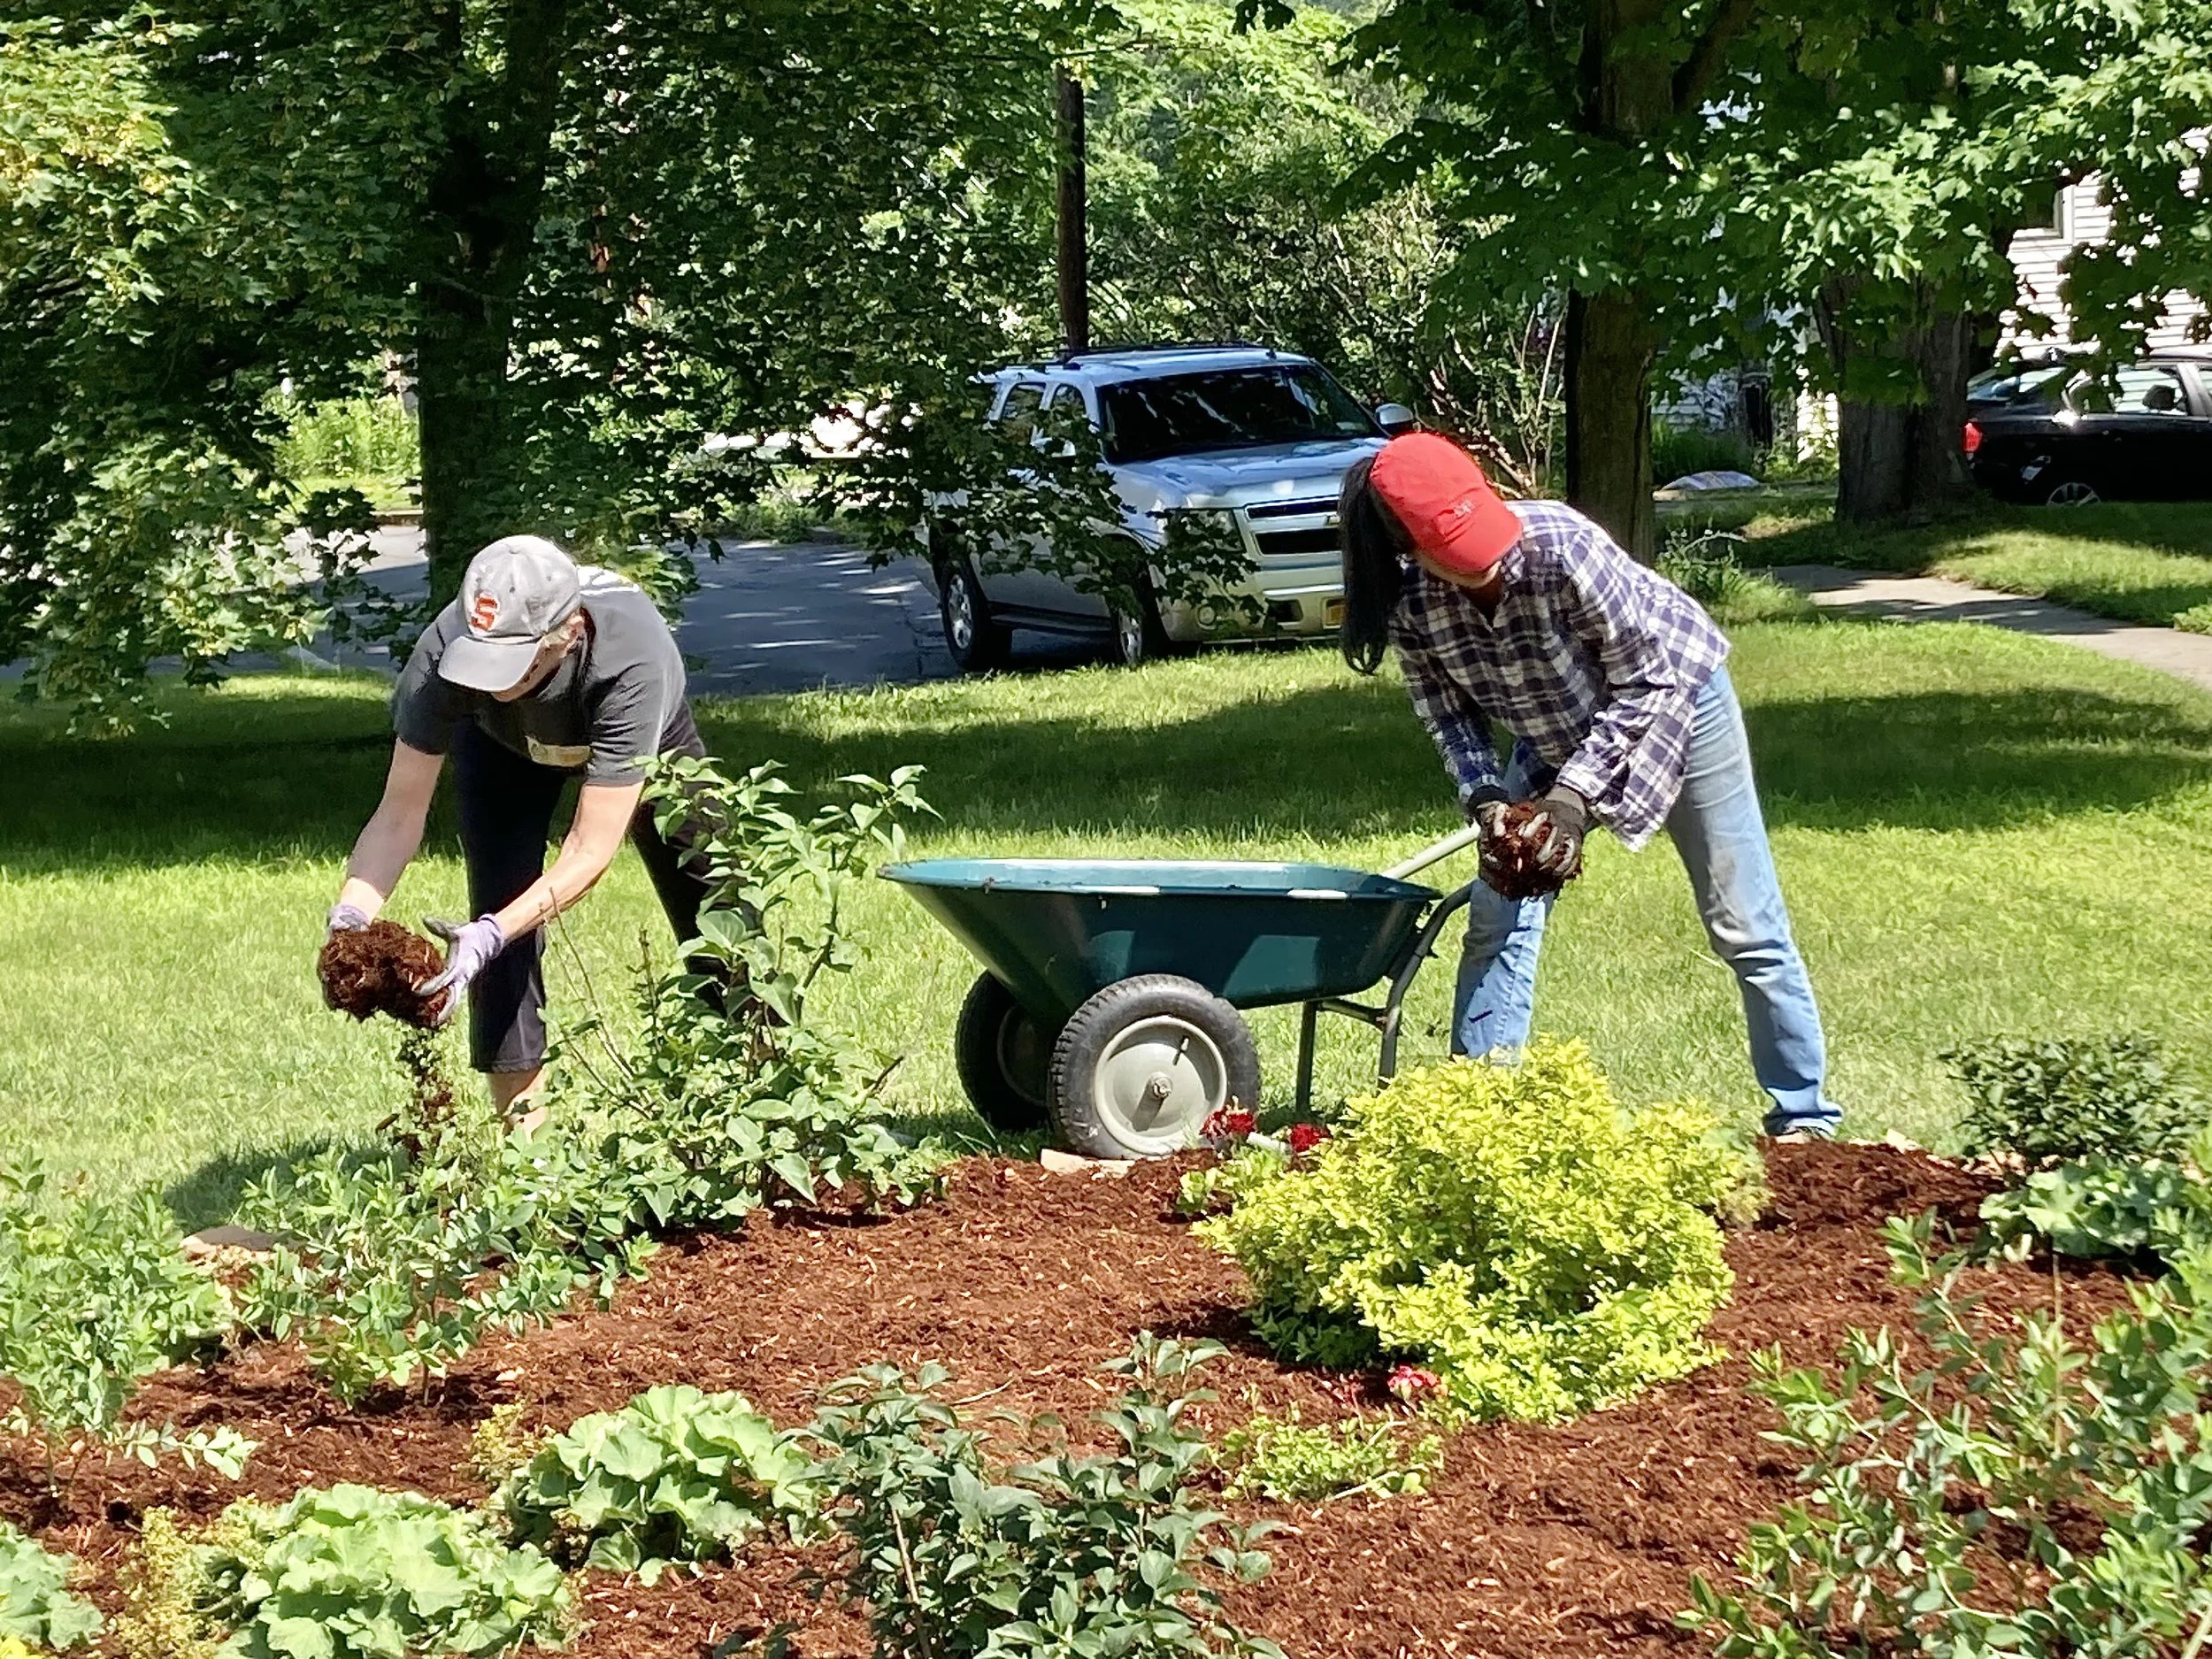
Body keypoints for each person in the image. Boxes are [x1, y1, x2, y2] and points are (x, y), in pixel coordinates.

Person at [1338, 432, 1841, 1141]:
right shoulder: (1410, 604)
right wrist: (1488, 801)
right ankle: (1483, 1119)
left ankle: (1805, 1121)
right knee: (1496, 916)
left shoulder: (1560, 544)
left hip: (1679, 704)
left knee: (1744, 925)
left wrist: (1571, 802)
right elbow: (1449, 716)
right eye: (1457, 555)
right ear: (1407, 549)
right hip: (1552, 734)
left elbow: (1646, 680)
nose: (1487, 565)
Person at [328, 534, 713, 1126]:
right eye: (480, 660)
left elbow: (589, 850)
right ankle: (527, 1163)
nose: (491, 680)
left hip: (647, 746)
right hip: (500, 748)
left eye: (513, 662)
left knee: (716, 903)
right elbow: (398, 814)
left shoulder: (629, 659)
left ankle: (769, 1108)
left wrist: (490, 933)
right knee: (499, 917)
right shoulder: (443, 654)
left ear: (569, 632)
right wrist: (350, 919)